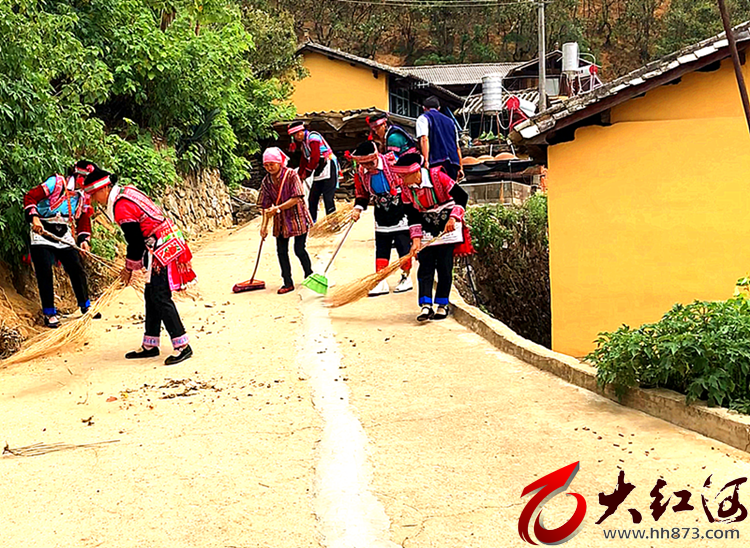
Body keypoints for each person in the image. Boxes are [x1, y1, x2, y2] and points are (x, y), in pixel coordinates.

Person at [83, 168, 195, 365]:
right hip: (160, 242)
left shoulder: (121, 206)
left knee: (160, 295)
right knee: (151, 294)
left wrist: (128, 269)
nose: (93, 199)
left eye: (94, 194)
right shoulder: (127, 192)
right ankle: (150, 345)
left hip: (160, 246)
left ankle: (182, 346)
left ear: (105, 188)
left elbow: (134, 241)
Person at [391, 152, 470, 322]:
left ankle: (442, 304)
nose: (401, 180)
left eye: (403, 176)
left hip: (447, 223)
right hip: (426, 223)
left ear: (415, 172)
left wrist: (453, 218)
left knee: (444, 265)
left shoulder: (438, 177)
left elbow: (462, 196)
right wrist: (416, 239)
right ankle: (426, 305)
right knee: (425, 265)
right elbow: (411, 214)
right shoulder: (406, 189)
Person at [24, 166, 95, 327]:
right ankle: (49, 313)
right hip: (42, 232)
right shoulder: (55, 183)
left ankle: (85, 306)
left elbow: (83, 218)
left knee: (76, 267)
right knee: (44, 272)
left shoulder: (83, 196)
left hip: (63, 233)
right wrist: (34, 218)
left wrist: (84, 239)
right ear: (77, 177)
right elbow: (30, 197)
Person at [350, 141, 413, 296]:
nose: (368, 168)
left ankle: (406, 277)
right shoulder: (361, 172)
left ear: (375, 158)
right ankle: (381, 280)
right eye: (364, 165)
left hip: (400, 207)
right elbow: (362, 193)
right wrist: (357, 208)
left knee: (402, 244)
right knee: (382, 246)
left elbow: (407, 182)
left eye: (370, 164)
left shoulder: (392, 163)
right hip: (381, 210)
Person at [258, 147, 314, 294]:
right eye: (266, 165)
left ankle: (310, 275)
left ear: (280, 163)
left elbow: (297, 198)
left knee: (299, 249)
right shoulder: (266, 181)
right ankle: (287, 282)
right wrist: (263, 227)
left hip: (297, 217)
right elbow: (264, 206)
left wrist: (278, 208)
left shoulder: (291, 175)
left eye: (272, 164)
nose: (269, 168)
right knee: (281, 251)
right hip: (281, 221)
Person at [287, 122, 338, 223]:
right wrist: (300, 175)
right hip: (319, 169)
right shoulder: (304, 144)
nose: (297, 137)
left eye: (298, 133)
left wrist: (308, 172)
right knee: (313, 198)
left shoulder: (313, 137)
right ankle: (311, 222)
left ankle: (333, 224)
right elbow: (304, 159)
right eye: (294, 135)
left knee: (328, 197)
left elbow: (315, 156)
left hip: (328, 165)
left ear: (303, 131)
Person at [415, 96, 464, 181]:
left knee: (438, 191)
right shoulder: (451, 122)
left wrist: (426, 161)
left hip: (436, 162)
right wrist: (461, 167)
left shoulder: (423, 118)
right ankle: (463, 195)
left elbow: (424, 139)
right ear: (439, 108)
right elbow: (457, 147)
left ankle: (461, 195)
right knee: (452, 190)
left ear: (424, 108)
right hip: (453, 163)